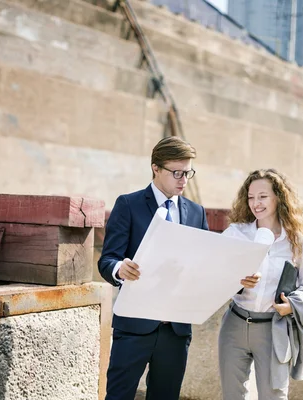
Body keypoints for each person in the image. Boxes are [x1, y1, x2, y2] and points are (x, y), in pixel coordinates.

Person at [98, 136, 212, 400]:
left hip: (176, 330)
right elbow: (107, 260)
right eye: (177, 172)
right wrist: (120, 269)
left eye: (188, 173)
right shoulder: (128, 204)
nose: (183, 179)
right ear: (156, 168)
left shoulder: (197, 212)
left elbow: (204, 262)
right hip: (134, 326)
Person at [219, 169, 303, 400]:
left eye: (263, 196)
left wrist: (291, 306)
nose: (255, 203)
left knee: (274, 396)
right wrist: (236, 279)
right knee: (232, 396)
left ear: (279, 197)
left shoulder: (296, 241)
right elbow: (216, 274)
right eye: (251, 197)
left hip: (273, 329)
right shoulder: (236, 233)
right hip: (235, 324)